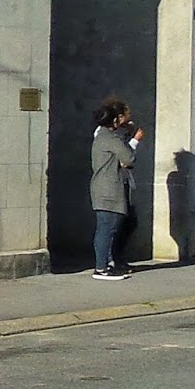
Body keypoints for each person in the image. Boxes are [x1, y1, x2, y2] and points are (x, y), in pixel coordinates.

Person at [89, 97, 143, 280]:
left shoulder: (103, 135)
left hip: (103, 187)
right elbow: (128, 159)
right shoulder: (110, 138)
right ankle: (101, 268)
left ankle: (106, 264)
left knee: (107, 228)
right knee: (107, 229)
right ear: (116, 119)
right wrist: (134, 141)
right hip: (109, 188)